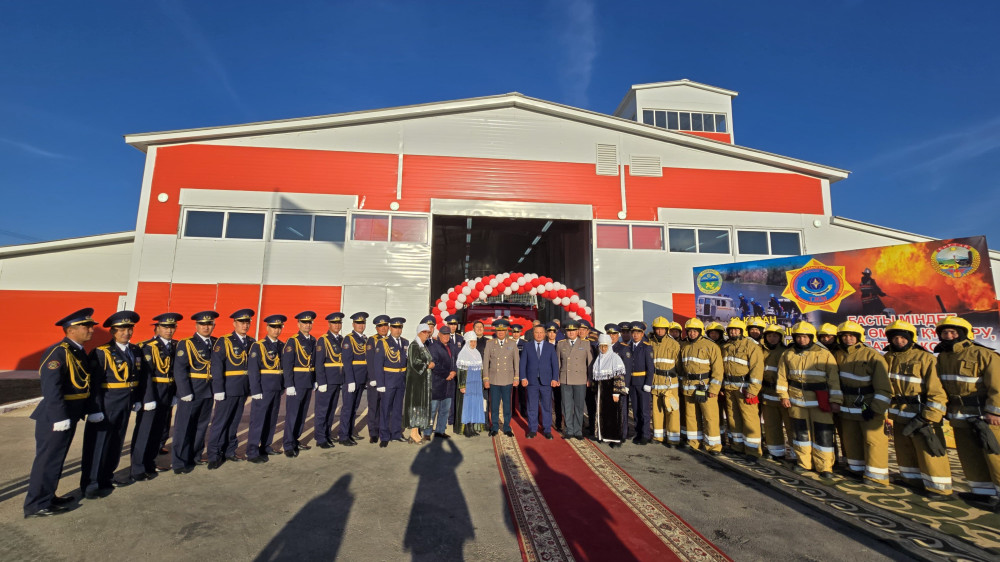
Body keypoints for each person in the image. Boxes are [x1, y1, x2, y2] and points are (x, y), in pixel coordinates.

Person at [24, 308, 101, 518]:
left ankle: (48, 496)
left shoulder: (77, 351)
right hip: (55, 416)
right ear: (71, 329)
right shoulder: (58, 352)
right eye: (86, 326)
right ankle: (36, 504)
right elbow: (51, 388)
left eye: (91, 326)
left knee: (57, 459)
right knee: (47, 460)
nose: (91, 330)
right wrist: (59, 417)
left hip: (70, 414)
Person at [935, 316, 1000, 508]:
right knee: (969, 455)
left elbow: (997, 386)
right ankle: (982, 492)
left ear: (964, 334)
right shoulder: (943, 357)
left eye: (953, 332)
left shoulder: (984, 354)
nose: (948, 336)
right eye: (945, 332)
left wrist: (995, 412)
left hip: (984, 415)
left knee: (994, 455)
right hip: (959, 415)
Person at [884, 320, 952, 497]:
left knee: (929, 451)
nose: (899, 341)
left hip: (921, 415)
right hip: (899, 413)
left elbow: (937, 391)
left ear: (911, 338)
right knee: (904, 449)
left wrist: (929, 416)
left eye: (902, 338)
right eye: (895, 338)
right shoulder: (887, 358)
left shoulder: (925, 358)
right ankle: (911, 479)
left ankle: (939, 488)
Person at [81, 310, 143, 499]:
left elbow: (137, 377)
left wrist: (137, 398)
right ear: (112, 331)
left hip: (125, 404)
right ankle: (91, 485)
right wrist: (94, 409)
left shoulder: (135, 350)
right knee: (98, 445)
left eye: (129, 329)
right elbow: (93, 384)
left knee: (116, 442)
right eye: (121, 329)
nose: (126, 333)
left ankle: (107, 477)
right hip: (106, 405)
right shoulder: (101, 352)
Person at [776, 322, 842, 478]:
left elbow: (833, 379)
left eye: (805, 337)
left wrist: (836, 400)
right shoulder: (788, 354)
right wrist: (783, 396)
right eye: (799, 337)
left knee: (823, 433)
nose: (802, 340)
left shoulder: (824, 354)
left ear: (811, 338)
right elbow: (782, 377)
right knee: (801, 434)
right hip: (796, 400)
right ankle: (804, 463)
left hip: (820, 401)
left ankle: (825, 467)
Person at [834, 321, 892, 486]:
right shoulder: (837, 355)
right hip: (847, 406)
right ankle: (856, 469)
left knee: (873, 441)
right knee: (851, 439)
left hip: (867, 405)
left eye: (852, 335)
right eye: (845, 336)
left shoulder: (872, 356)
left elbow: (884, 387)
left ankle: (877, 476)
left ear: (859, 337)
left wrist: (875, 409)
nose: (848, 339)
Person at [132, 311, 181, 481]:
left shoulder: (176, 346)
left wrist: (176, 394)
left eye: (172, 327)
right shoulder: (146, 347)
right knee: (144, 432)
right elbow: (144, 376)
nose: (169, 330)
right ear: (157, 328)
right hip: (152, 394)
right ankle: (137, 468)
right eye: (165, 327)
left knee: (158, 432)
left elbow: (176, 372)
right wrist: (146, 398)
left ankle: (150, 463)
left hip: (167, 393)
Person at [207, 308, 255, 469]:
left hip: (242, 389)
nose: (244, 325)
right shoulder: (224, 341)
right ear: (234, 324)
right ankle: (214, 454)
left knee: (234, 422)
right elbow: (217, 366)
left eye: (247, 322)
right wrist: (218, 389)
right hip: (227, 389)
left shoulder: (251, 342)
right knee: (220, 422)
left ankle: (229, 451)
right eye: (241, 322)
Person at [170, 310, 217, 474]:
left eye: (209, 324)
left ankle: (195, 456)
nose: (206, 327)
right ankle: (179, 462)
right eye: (202, 324)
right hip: (192, 391)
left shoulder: (215, 343)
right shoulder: (187, 344)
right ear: (196, 326)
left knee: (201, 426)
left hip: (208, 391)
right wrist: (184, 392)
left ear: (213, 326)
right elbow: (179, 369)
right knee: (184, 428)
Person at [720, 318, 765, 460]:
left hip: (744, 389)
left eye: (736, 330)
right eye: (731, 330)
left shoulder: (751, 346)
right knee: (733, 419)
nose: (733, 332)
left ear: (741, 331)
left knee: (749, 420)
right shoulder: (726, 347)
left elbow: (757, 369)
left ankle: (753, 451)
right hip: (729, 388)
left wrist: (753, 389)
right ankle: (737, 447)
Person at [679, 318, 723, 454]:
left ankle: (713, 446)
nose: (692, 334)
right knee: (691, 416)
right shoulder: (684, 346)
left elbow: (718, 370)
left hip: (705, 387)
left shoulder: (711, 346)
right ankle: (694, 442)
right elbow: (681, 368)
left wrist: (714, 389)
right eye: (690, 331)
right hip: (689, 387)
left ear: (700, 332)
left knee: (710, 417)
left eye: (695, 331)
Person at [246, 314, 285, 463]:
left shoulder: (281, 346)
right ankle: (252, 451)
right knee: (258, 420)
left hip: (276, 388)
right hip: (263, 389)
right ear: (267, 328)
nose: (276, 330)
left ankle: (266, 445)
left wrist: (283, 386)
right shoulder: (259, 346)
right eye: (273, 327)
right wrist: (255, 391)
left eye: (279, 327)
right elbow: (253, 369)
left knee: (271, 419)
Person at [281, 311, 317, 458]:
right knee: (292, 414)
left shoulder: (313, 340)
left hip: (307, 382)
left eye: (309, 323)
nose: (307, 325)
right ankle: (288, 444)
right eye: (304, 323)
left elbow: (313, 362)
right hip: (296, 383)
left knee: (302, 414)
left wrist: (315, 380)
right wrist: (289, 384)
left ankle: (295, 439)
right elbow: (287, 364)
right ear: (298, 324)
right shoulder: (293, 341)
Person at [759, 324, 794, 462]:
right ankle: (775, 452)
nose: (772, 338)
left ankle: (796, 454)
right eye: (769, 336)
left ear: (780, 337)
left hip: (783, 394)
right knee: (771, 425)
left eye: (775, 336)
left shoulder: (786, 352)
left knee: (790, 425)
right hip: (767, 393)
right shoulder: (761, 351)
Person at [378, 317, 414, 447]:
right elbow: (378, 364)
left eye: (400, 327)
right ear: (390, 328)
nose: (397, 330)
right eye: (395, 327)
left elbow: (407, 361)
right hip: (388, 379)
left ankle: (396, 433)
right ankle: (384, 436)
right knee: (385, 408)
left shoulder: (405, 342)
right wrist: (380, 383)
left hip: (401, 379)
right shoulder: (383, 342)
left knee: (398, 408)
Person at [520, 324, 559, 439]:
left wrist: (554, 378)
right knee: (532, 406)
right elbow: (523, 363)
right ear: (533, 333)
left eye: (541, 332)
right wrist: (523, 377)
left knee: (546, 406)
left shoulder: (550, 347)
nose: (539, 335)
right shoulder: (527, 346)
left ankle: (547, 430)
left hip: (546, 381)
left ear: (545, 334)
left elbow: (555, 364)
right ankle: (532, 429)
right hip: (531, 381)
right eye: (536, 332)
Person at [556, 321, 593, 440]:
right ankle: (569, 430)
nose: (571, 333)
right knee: (566, 406)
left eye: (573, 330)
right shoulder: (561, 344)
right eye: (568, 330)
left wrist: (590, 378)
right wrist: (557, 378)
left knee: (579, 406)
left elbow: (590, 363)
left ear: (577, 331)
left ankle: (578, 431)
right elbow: (558, 363)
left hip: (580, 379)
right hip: (565, 378)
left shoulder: (585, 344)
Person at [314, 312, 346, 449]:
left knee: (331, 409)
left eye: (339, 323)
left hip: (337, 380)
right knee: (322, 410)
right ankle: (320, 438)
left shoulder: (341, 339)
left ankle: (327, 434)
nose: (337, 325)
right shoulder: (323, 340)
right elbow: (319, 363)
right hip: (327, 381)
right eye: (334, 323)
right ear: (329, 324)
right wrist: (321, 382)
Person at [483, 319, 520, 437]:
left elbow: (516, 362)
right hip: (494, 379)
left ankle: (507, 427)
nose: (500, 332)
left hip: (507, 379)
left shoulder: (512, 344)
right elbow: (485, 363)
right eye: (498, 330)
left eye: (503, 330)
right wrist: (486, 379)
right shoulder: (490, 343)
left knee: (507, 405)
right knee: (494, 405)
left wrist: (516, 377)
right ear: (496, 331)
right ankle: (494, 427)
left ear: (506, 331)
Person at [649, 317, 682, 447]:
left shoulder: (674, 344)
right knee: (657, 410)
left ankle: (673, 439)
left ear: (666, 330)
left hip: (670, 383)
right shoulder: (650, 343)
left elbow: (679, 365)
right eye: (657, 329)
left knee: (672, 409)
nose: (660, 331)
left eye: (662, 329)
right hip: (656, 381)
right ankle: (658, 436)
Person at [338, 312, 370, 446]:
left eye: (363, 323)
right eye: (358, 323)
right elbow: (347, 361)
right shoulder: (348, 339)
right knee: (347, 408)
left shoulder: (364, 339)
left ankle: (350, 432)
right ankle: (343, 436)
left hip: (361, 379)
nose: (361, 326)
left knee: (354, 407)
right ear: (353, 325)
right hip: (352, 379)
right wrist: (350, 380)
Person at [593, 334, 629, 447]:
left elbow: (619, 376)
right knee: (603, 413)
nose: (603, 349)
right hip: (602, 391)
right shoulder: (599, 358)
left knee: (613, 415)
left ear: (609, 346)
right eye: (601, 346)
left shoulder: (615, 358)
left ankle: (614, 438)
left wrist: (616, 392)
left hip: (612, 390)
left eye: (605, 346)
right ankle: (604, 435)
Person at [427, 326, 457, 439]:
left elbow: (456, 361)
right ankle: (427, 432)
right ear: (439, 335)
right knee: (432, 410)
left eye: (448, 334)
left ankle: (440, 431)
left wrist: (454, 371)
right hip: (437, 383)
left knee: (444, 410)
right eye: (444, 334)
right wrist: (446, 374)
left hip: (449, 385)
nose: (446, 336)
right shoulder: (433, 347)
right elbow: (434, 364)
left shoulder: (452, 347)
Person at [627, 322, 654, 445]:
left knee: (644, 410)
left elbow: (650, 367)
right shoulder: (628, 346)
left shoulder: (646, 347)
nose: (635, 335)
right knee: (636, 409)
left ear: (642, 334)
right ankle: (638, 433)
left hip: (643, 382)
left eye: (638, 333)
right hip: (632, 382)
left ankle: (645, 434)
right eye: (633, 332)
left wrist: (648, 383)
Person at [366, 315, 392, 442]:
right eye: (380, 326)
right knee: (374, 406)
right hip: (376, 380)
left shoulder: (391, 340)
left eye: (385, 325)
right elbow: (370, 360)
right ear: (376, 328)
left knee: (386, 406)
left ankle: (384, 430)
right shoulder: (372, 340)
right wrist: (373, 378)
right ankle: (373, 433)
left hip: (387, 379)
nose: (383, 328)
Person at [456, 332, 486, 437]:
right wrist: (462, 385)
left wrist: (481, 383)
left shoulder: (477, 353)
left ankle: (473, 427)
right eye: (471, 342)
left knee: (475, 405)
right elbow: (461, 371)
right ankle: (466, 428)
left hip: (476, 384)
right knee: (467, 405)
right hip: (468, 383)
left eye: (475, 342)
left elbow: (481, 370)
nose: (473, 344)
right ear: (468, 342)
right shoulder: (463, 354)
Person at [545, 322, 563, 431]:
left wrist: (558, 377)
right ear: (546, 333)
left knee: (558, 401)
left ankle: (558, 423)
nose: (552, 334)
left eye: (554, 332)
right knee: (545, 401)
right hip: (545, 377)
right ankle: (546, 422)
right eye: (550, 332)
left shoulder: (560, 345)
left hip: (557, 377)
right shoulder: (542, 344)